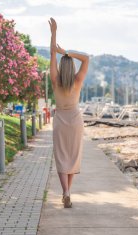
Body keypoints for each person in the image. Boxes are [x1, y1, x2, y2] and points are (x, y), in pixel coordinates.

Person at [48, 18, 89, 208]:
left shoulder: (55, 81)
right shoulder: (78, 80)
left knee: (61, 156)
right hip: (75, 119)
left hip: (60, 120)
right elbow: (86, 57)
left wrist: (53, 33)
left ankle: (65, 191)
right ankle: (68, 191)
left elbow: (51, 56)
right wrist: (65, 51)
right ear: (71, 67)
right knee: (72, 157)